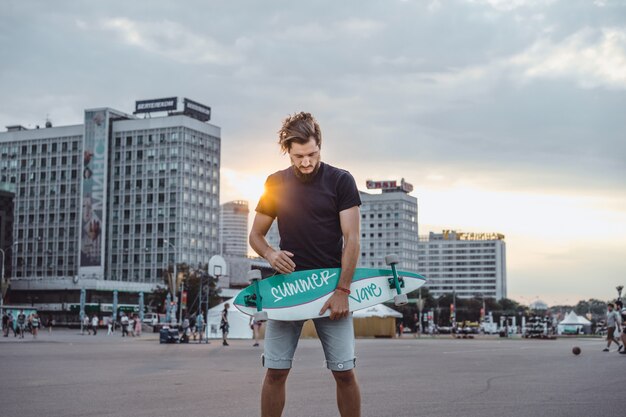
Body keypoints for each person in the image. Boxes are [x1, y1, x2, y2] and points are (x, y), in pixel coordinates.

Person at [249, 112, 362, 417]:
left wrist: (343, 289)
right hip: (288, 288)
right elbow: (255, 236)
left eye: (312, 154)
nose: (307, 162)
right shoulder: (275, 183)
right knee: (275, 372)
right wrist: (271, 255)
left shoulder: (340, 181)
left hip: (330, 289)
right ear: (288, 151)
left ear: (319, 146)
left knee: (344, 372)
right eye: (299, 156)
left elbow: (352, 239)